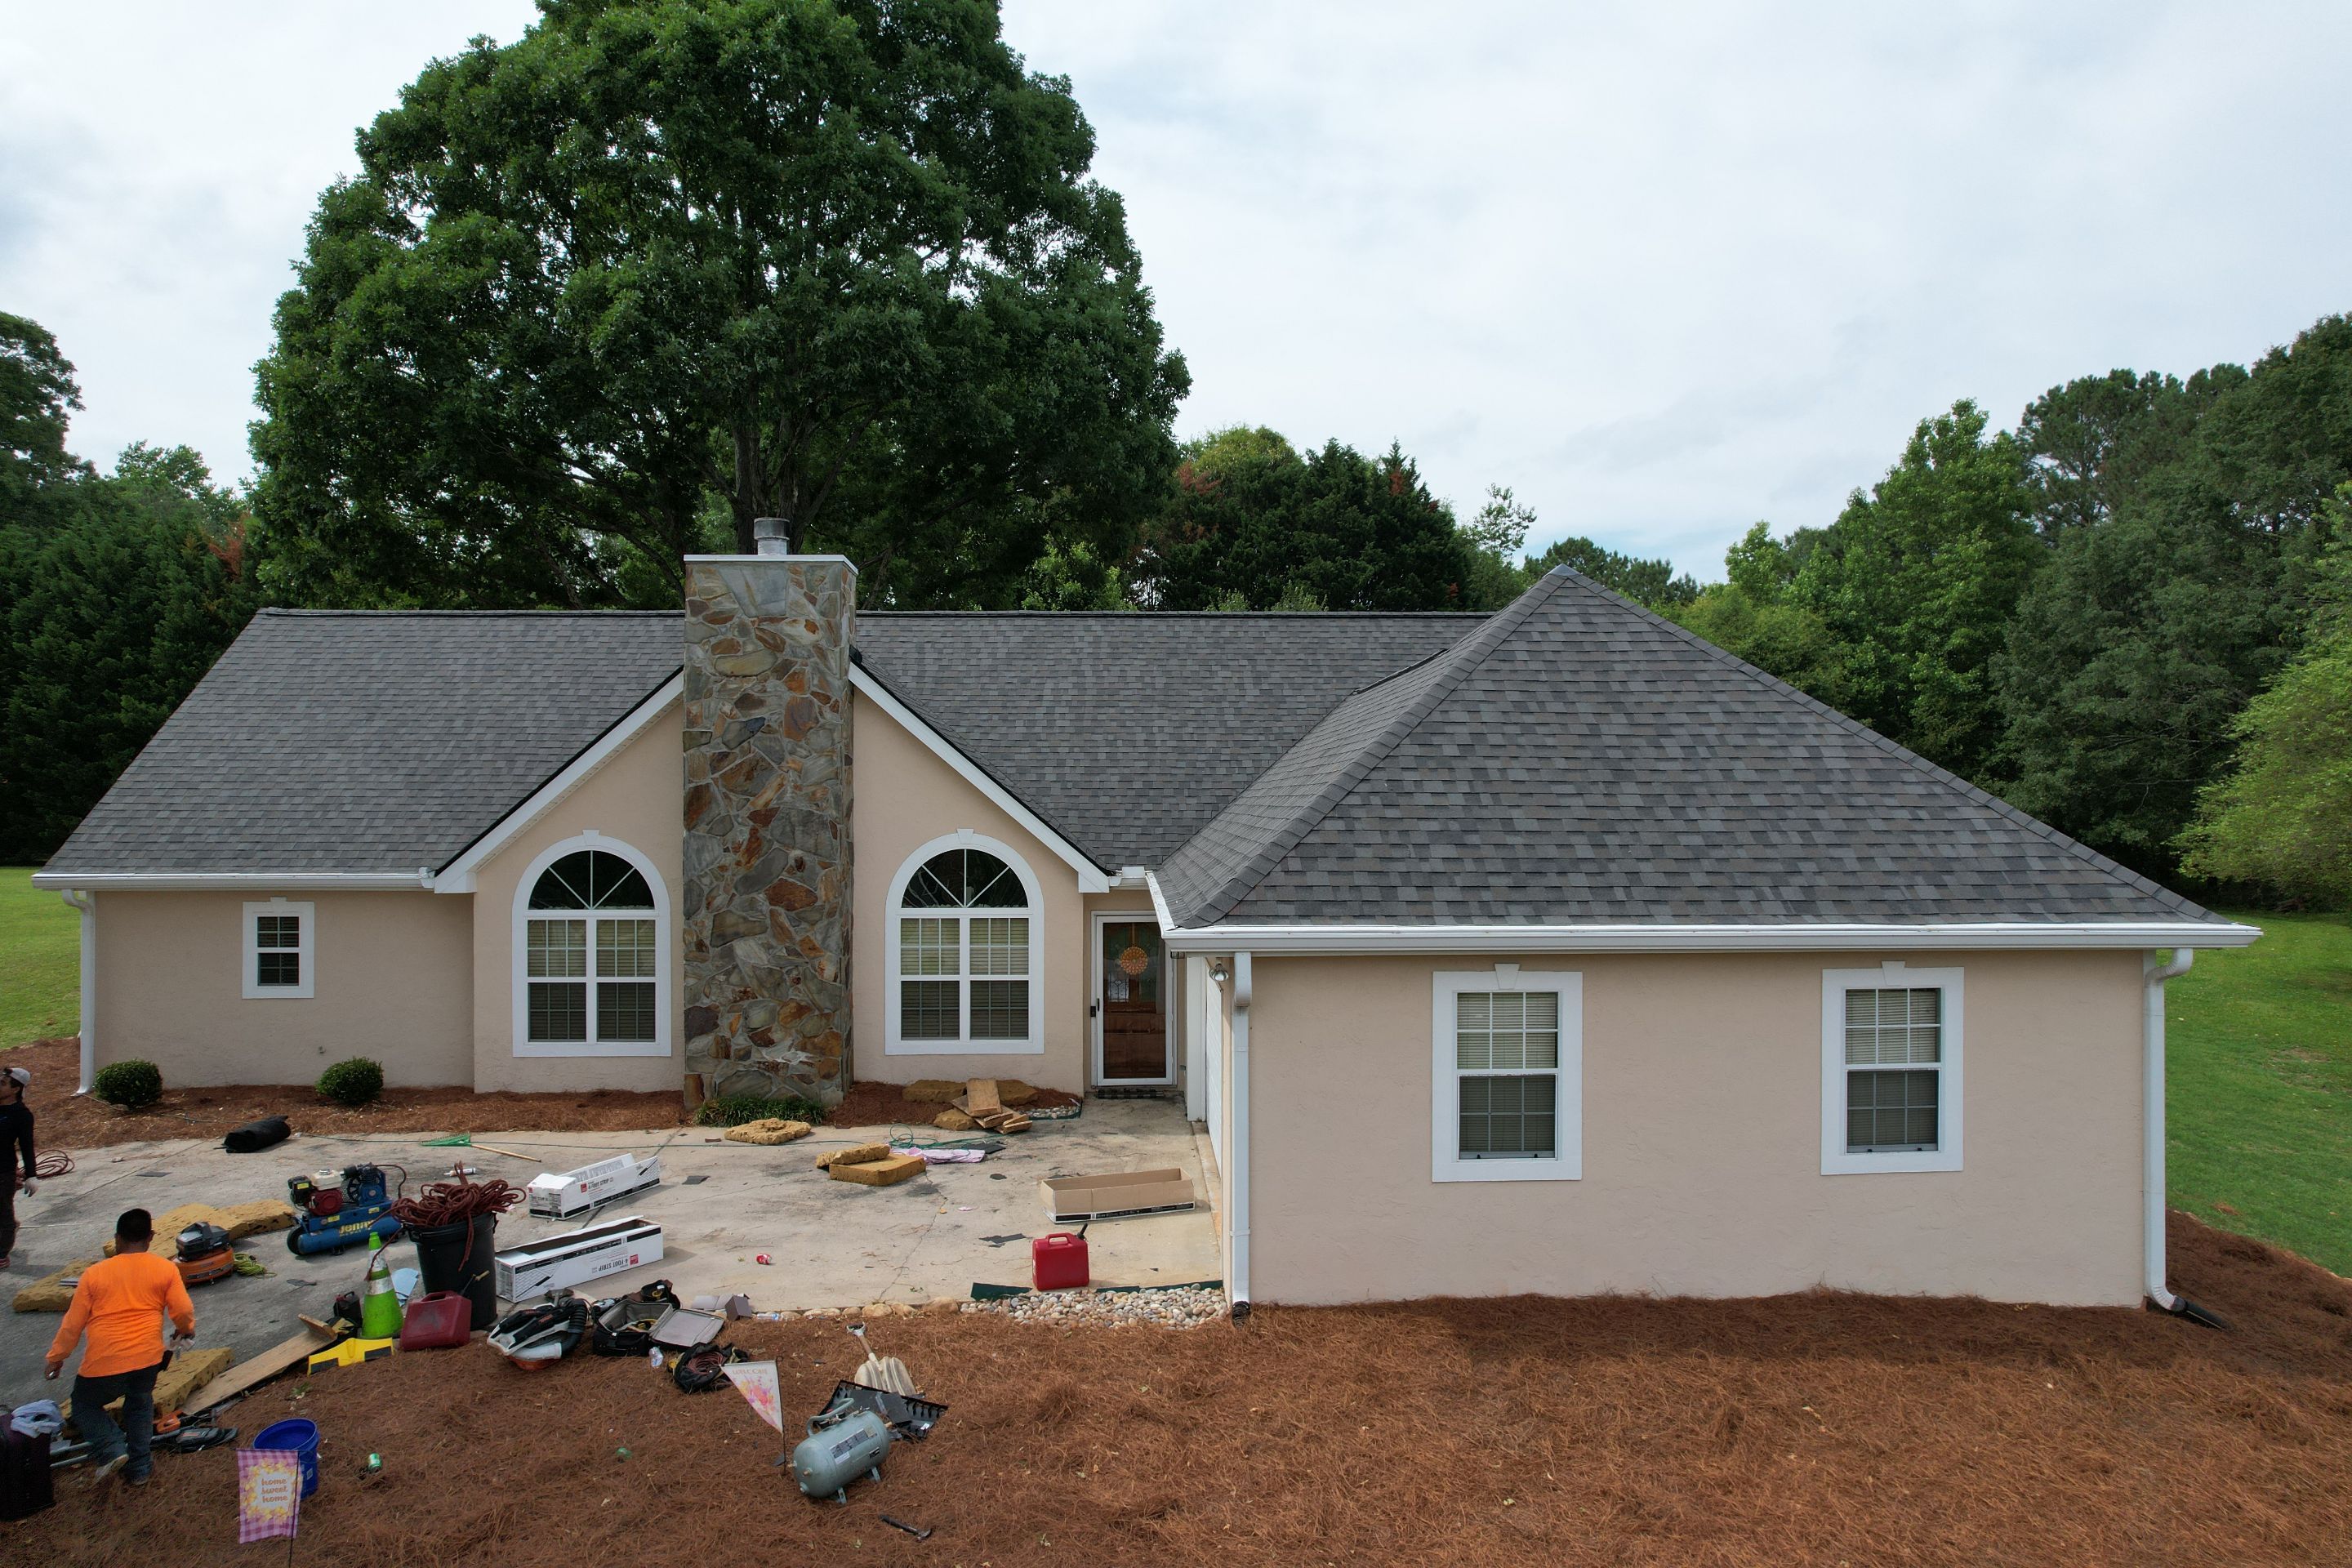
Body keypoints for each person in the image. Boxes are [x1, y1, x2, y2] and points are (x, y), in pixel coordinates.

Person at [44, 1208, 194, 1489]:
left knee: (84, 1406)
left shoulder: (94, 1275)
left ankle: (112, 1448)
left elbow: (72, 1324)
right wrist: (185, 1329)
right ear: (151, 1237)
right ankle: (139, 1469)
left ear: (117, 1238)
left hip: (104, 1363)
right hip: (148, 1359)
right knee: (139, 1406)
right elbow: (183, 1311)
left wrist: (56, 1358)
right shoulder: (165, 1268)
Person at [0, 1065, 33, 1269]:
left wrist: (31, 1175)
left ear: (15, 1089)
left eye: (2, 1083)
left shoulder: (21, 1114)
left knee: (4, 1214)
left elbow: (27, 1146)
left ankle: (2, 1254)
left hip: (3, 1171)